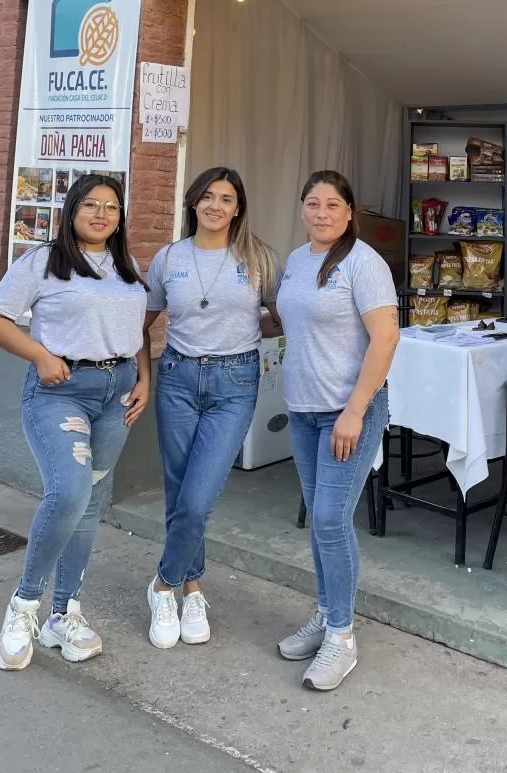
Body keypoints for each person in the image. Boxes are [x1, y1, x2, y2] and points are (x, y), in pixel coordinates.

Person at [0, 173, 149, 670]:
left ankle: (63, 613)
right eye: (91, 205)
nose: (102, 214)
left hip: (117, 395)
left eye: (112, 207)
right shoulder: (43, 263)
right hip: (60, 393)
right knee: (70, 492)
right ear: (71, 210)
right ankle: (24, 607)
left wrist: (144, 379)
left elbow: (135, 329)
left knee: (92, 502)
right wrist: (40, 356)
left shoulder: (126, 265)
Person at [144, 166, 280, 649]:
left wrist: (240, 339)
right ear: (193, 203)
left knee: (199, 498)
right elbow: (143, 322)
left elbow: (282, 318)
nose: (215, 206)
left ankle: (163, 584)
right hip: (178, 379)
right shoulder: (168, 258)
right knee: (180, 492)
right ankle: (193, 586)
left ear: (238, 206)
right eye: (207, 196)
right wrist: (143, 378)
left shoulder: (258, 258)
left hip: (235, 381)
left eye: (226, 198)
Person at [275, 170, 399, 691]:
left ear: (350, 212)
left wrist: (355, 409)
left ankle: (342, 638)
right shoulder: (298, 261)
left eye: (332, 205)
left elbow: (386, 337)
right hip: (303, 411)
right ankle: (327, 615)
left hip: (347, 413)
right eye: (312, 203)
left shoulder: (364, 263)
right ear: (302, 209)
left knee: (329, 519)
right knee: (322, 522)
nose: (321, 213)